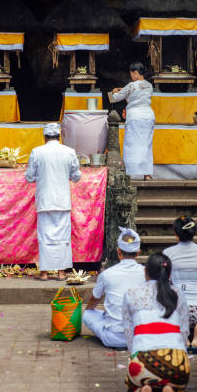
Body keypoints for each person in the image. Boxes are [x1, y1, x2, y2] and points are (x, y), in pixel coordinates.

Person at [122, 252, 190, 392]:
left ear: (145, 272)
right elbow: (184, 331)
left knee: (132, 384)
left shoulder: (131, 293)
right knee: (178, 385)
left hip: (142, 362)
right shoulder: (178, 294)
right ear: (169, 273)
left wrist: (135, 355)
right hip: (176, 363)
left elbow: (128, 331)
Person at [25, 122, 81, 281]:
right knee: (63, 236)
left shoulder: (37, 152)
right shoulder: (69, 152)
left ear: (44, 137)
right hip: (62, 200)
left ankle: (44, 272)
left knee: (45, 236)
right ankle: (61, 272)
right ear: (59, 136)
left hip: (45, 200)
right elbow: (76, 176)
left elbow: (29, 177)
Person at [83, 227, 145, 348]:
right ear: (138, 253)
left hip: (113, 338)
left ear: (119, 252)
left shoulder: (107, 274)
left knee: (87, 315)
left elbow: (94, 300)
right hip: (140, 337)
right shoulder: (146, 272)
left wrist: (89, 310)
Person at [163, 216, 197, 354]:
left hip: (178, 310)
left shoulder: (168, 253)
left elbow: (165, 282)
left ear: (175, 233)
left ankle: (182, 333)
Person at [111, 62, 155, 180]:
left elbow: (114, 99)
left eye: (131, 74)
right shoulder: (149, 86)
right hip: (148, 116)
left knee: (131, 144)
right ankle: (147, 174)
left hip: (135, 117)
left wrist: (114, 91)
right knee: (146, 144)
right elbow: (137, 95)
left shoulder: (131, 85)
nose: (131, 77)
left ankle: (128, 172)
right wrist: (124, 91)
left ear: (135, 73)